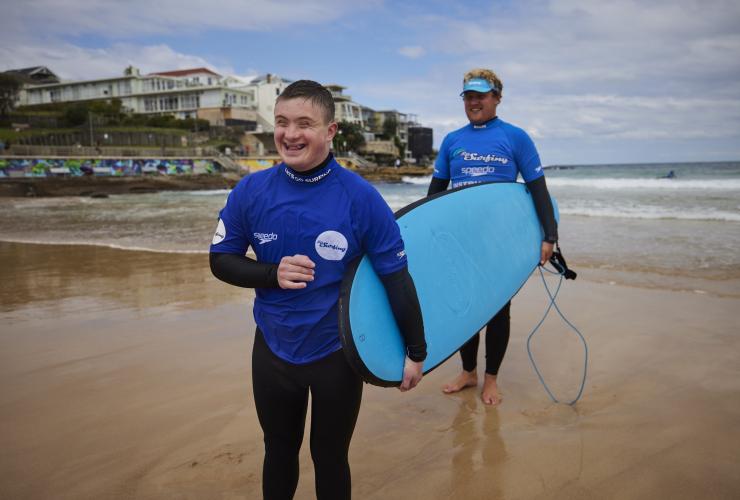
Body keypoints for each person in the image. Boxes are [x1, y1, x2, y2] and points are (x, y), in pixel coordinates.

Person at [209, 80, 426, 500]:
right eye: (282, 122)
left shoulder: (361, 199)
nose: (290, 134)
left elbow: (395, 277)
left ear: (330, 131)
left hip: (336, 353)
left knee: (329, 457)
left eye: (304, 123)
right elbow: (221, 260)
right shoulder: (251, 191)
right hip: (273, 348)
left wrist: (415, 351)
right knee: (278, 451)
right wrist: (271, 274)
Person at [428, 68, 558, 406]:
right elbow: (434, 196)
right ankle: (468, 372)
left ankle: (491, 380)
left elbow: (537, 191)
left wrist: (549, 236)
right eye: (468, 96)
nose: (473, 101)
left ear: (497, 97)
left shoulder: (516, 138)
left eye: (481, 95)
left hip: (498, 242)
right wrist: (426, 235)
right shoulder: (452, 141)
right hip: (460, 239)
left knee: (498, 310)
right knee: (466, 309)